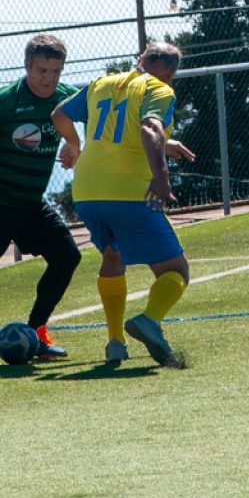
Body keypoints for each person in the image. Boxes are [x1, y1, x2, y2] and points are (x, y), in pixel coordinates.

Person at [52, 42, 195, 366]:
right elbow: (149, 127)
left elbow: (60, 114)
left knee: (112, 256)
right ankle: (149, 319)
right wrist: (161, 176)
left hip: (87, 192)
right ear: (172, 72)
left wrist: (74, 144)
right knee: (175, 270)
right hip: (129, 192)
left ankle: (115, 343)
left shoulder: (103, 83)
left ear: (140, 60)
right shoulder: (159, 89)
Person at [0, 34, 83, 358]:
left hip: (31, 204)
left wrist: (74, 144)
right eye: (41, 71)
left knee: (67, 257)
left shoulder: (66, 100)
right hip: (1, 202)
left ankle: (37, 334)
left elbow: (100, 117)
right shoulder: (7, 101)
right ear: (27, 66)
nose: (48, 79)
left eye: (55, 72)